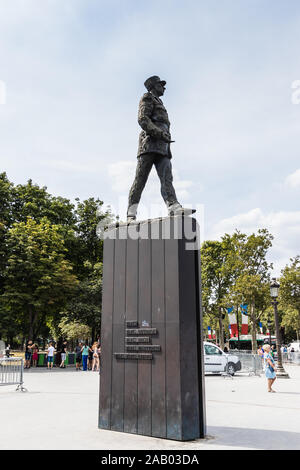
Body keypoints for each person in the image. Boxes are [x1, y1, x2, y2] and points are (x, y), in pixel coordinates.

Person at [127, 75, 195, 221]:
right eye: (161, 84)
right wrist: (158, 133)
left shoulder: (160, 102)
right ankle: (131, 213)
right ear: (153, 86)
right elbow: (142, 119)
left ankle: (173, 207)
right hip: (149, 144)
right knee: (140, 179)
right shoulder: (147, 98)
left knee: (167, 177)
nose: (164, 87)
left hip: (163, 145)